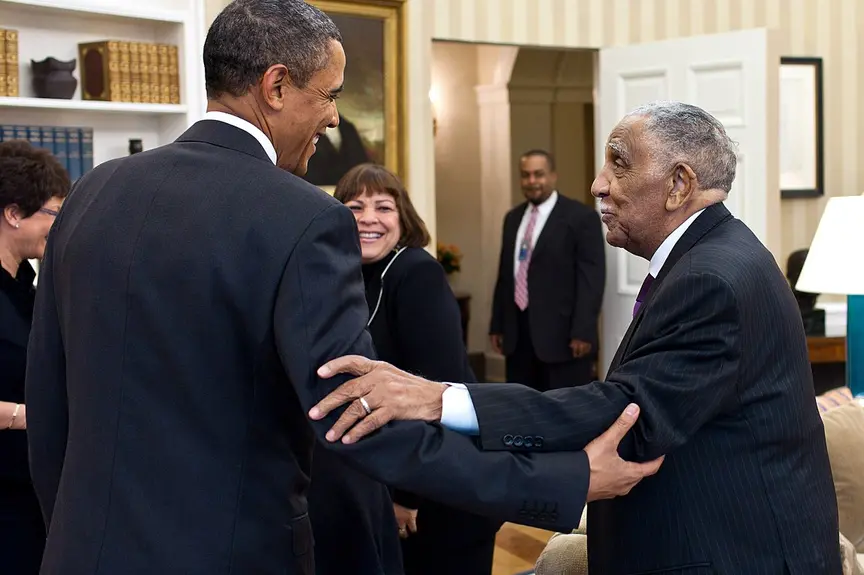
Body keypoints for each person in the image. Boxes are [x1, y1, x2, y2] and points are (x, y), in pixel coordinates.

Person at [24, 2, 661, 574]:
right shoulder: (303, 217)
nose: (333, 117)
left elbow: (49, 402)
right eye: (329, 95)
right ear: (276, 86)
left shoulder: (91, 194)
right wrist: (564, 478)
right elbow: (357, 417)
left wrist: (70, 534)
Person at [310, 102, 843, 574]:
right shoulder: (716, 255)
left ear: (679, 185)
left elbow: (628, 415)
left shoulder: (711, 278)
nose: (597, 185)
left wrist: (437, 398)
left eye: (619, 163)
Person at [312, 162, 500, 575]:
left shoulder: (418, 273)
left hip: (440, 486)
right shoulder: (352, 275)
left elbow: (439, 391)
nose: (368, 219)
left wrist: (406, 496)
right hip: (396, 472)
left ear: (404, 219)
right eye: (355, 207)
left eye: (383, 207)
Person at [0, 140, 70, 575]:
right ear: (13, 213)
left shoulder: (29, 289)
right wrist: (30, 415)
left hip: (32, 493)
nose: (60, 226)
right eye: (54, 213)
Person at [490, 150, 605, 391]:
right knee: (520, 404)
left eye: (538, 174)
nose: (532, 181)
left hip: (563, 339)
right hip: (517, 337)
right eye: (526, 175)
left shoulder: (581, 217)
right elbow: (505, 275)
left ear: (553, 176)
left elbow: (591, 279)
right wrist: (497, 325)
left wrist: (583, 331)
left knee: (563, 407)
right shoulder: (512, 218)